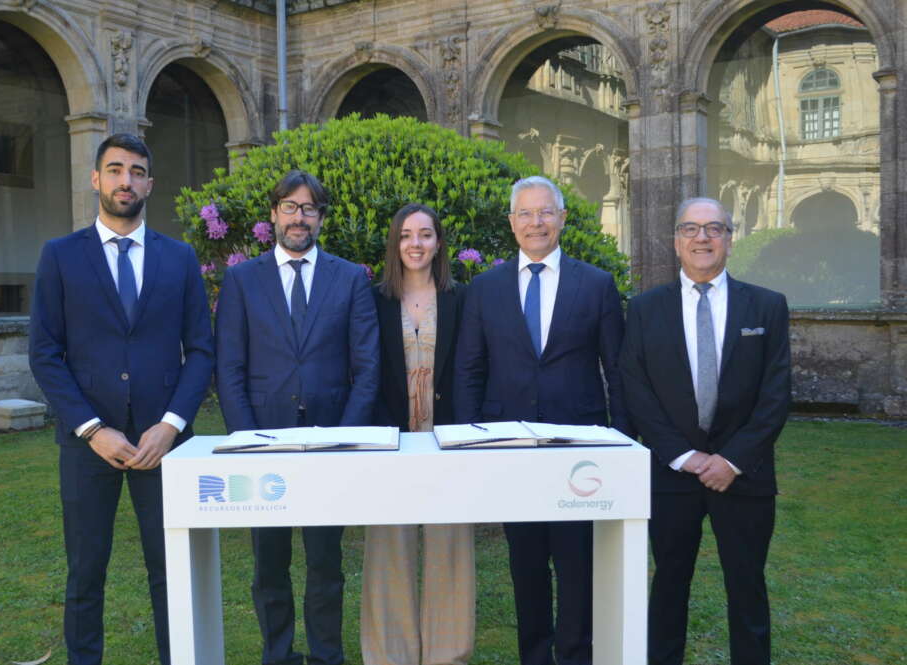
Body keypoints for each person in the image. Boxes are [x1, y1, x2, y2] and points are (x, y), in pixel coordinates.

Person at [28, 133, 214, 665]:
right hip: (89, 445)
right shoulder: (61, 257)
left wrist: (172, 424)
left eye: (136, 171)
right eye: (114, 170)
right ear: (96, 179)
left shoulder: (179, 259)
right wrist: (92, 429)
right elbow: (45, 353)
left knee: (171, 569)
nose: (125, 180)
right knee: (85, 571)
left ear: (150, 183)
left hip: (165, 445)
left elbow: (201, 350)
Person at [455, 175, 630, 665]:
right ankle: (534, 654)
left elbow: (617, 370)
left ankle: (575, 654)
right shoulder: (484, 289)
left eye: (545, 212)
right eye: (526, 214)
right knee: (526, 562)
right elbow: (470, 369)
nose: (536, 223)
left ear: (562, 219)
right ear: (512, 223)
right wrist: (473, 444)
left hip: (580, 447)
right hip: (510, 447)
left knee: (578, 564)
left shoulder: (595, 284)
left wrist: (624, 441)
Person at [215, 170, 380, 665]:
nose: (299, 216)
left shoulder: (349, 277)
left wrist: (344, 439)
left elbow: (367, 366)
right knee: (270, 564)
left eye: (309, 208)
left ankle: (328, 655)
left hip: (330, 440)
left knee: (326, 563)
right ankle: (278, 653)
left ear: (321, 218)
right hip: (263, 440)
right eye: (290, 206)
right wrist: (247, 439)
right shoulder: (243, 279)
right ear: (274, 215)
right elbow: (230, 366)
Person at [619, 197, 791, 665]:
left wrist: (732, 460)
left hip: (745, 474)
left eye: (715, 228)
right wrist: (684, 457)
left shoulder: (768, 307)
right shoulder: (644, 309)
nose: (702, 238)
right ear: (676, 241)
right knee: (669, 582)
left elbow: (776, 396)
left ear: (730, 240)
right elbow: (637, 393)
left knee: (747, 585)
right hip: (672, 474)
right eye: (691, 229)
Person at [361, 204, 474, 665]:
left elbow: (472, 368)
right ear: (395, 243)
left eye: (425, 235)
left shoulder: (460, 299)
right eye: (406, 235)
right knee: (390, 542)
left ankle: (448, 654)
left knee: (450, 542)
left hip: (448, 437)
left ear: (439, 243)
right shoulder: (373, 300)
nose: (415, 244)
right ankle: (391, 654)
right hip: (392, 438)